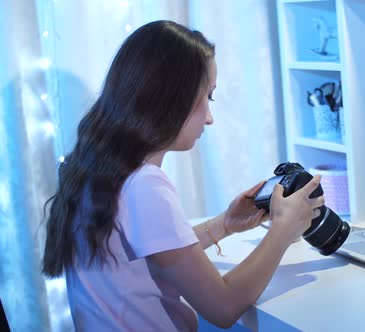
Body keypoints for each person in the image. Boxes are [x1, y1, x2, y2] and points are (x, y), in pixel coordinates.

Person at [42, 20, 324, 331]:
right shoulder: (145, 184)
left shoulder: (99, 168)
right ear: (170, 97)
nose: (210, 117)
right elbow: (223, 306)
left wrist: (224, 224)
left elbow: (152, 252)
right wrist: (284, 229)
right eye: (208, 97)